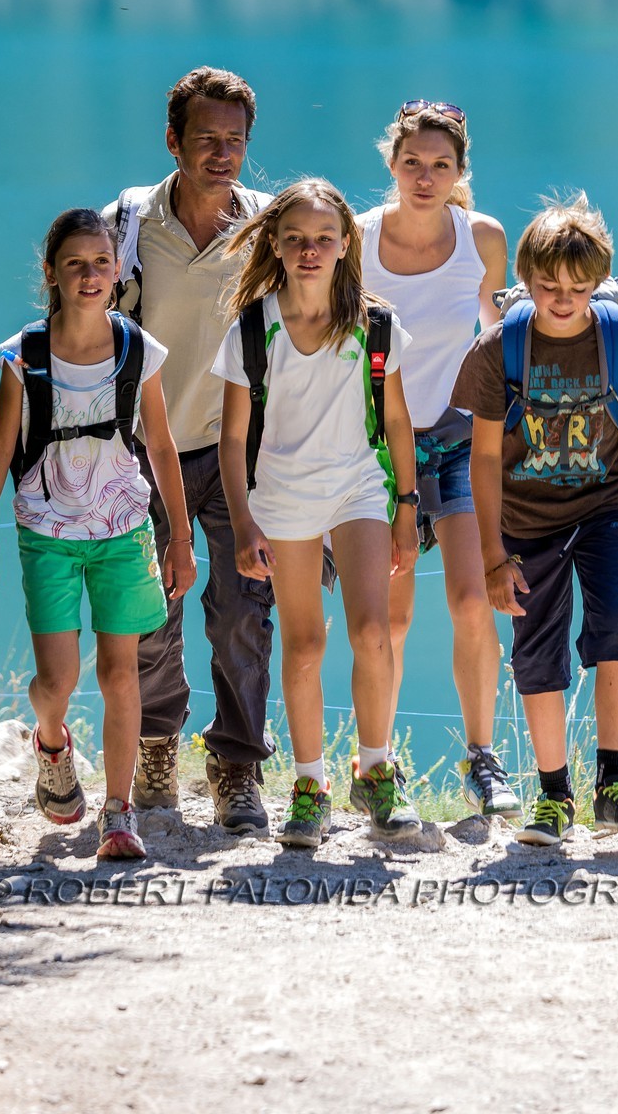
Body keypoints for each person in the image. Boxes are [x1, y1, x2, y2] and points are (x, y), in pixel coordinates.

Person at [451, 192, 618, 845]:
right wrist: (492, 555)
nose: (561, 298)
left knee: (615, 624)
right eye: (548, 285)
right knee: (535, 651)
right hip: (524, 522)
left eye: (577, 288)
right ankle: (553, 796)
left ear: (597, 283)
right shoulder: (499, 349)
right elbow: (484, 456)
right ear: (524, 280)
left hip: (604, 507)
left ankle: (613, 785)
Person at [0, 209, 196, 861]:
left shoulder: (136, 350)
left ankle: (118, 813)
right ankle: (51, 739)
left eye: (101, 263)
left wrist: (179, 537)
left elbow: (160, 442)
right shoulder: (25, 354)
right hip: (46, 529)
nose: (90, 275)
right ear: (52, 273)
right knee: (58, 680)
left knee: (122, 674)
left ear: (117, 271)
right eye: (75, 264)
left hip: (124, 529)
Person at [213, 178, 423, 848]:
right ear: (274, 244)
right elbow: (232, 436)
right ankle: (310, 786)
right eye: (296, 239)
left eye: (323, 239)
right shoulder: (254, 326)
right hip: (281, 497)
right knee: (304, 645)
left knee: (372, 632)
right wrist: (243, 522)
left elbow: (395, 421)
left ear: (344, 245)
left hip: (357, 488)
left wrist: (406, 508)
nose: (309, 251)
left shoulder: (375, 324)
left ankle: (375, 770)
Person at [102, 67, 274, 836]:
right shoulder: (127, 227)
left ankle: (236, 765)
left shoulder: (267, 227)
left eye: (234, 140)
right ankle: (156, 749)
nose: (220, 154)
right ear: (171, 140)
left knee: (244, 613)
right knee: (150, 614)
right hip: (144, 451)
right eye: (205, 138)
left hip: (242, 452)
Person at [357, 100, 520, 818]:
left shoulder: (481, 239)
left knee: (474, 597)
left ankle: (482, 760)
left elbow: (497, 335)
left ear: (459, 173)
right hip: (376, 443)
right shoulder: (353, 239)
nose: (424, 178)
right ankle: (378, 768)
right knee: (388, 620)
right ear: (391, 162)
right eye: (412, 163)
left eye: (441, 166)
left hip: (458, 435)